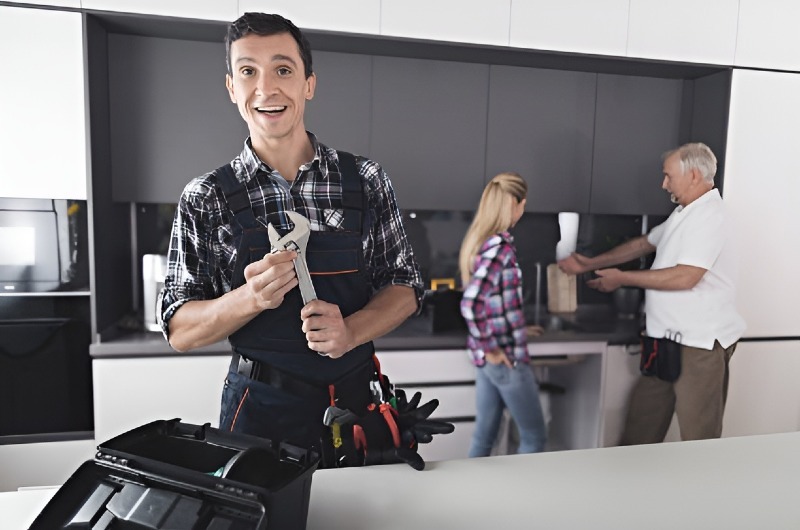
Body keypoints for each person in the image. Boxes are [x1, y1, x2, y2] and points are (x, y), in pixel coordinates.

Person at [158, 12, 451, 469]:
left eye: (283, 69)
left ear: (308, 84)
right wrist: (249, 298)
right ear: (231, 87)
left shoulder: (366, 179)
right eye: (248, 72)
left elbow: (406, 287)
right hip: (257, 411)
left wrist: (350, 330)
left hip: (355, 403)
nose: (266, 89)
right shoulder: (206, 197)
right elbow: (178, 328)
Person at [558, 142, 746, 444]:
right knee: (640, 430)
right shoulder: (685, 213)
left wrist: (623, 279)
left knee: (700, 439)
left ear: (694, 175)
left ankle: (705, 490)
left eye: (669, 176)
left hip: (698, 345)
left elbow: (687, 277)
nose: (664, 183)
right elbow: (645, 243)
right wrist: (590, 263)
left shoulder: (711, 216)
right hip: (665, 341)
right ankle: (633, 488)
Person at [458, 172, 548, 457]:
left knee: (485, 436)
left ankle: (474, 495)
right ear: (516, 204)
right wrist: (493, 347)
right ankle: (525, 500)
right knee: (534, 436)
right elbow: (472, 303)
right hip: (504, 358)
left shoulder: (483, 242)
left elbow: (495, 302)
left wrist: (519, 327)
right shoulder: (501, 247)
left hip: (489, 358)